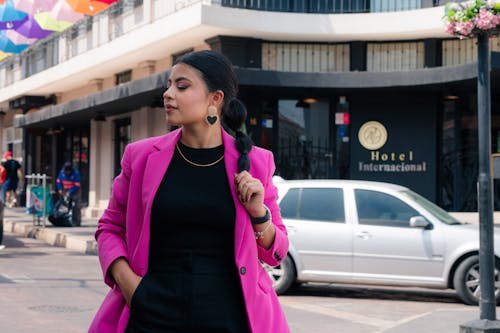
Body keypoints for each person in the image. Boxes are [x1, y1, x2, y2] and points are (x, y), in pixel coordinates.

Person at [89, 50, 290, 333]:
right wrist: (131, 286)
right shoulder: (141, 156)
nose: (168, 94)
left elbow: (276, 252)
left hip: (231, 317)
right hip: (151, 312)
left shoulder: (256, 162)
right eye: (168, 85)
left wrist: (259, 214)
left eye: (181, 86)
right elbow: (110, 227)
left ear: (215, 99)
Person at [55, 162, 81, 226]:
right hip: (64, 189)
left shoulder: (76, 173)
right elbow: (58, 181)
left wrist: (70, 191)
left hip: (75, 190)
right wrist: (60, 189)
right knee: (64, 205)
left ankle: (76, 221)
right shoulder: (62, 172)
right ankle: (63, 219)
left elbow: (77, 184)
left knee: (76, 206)